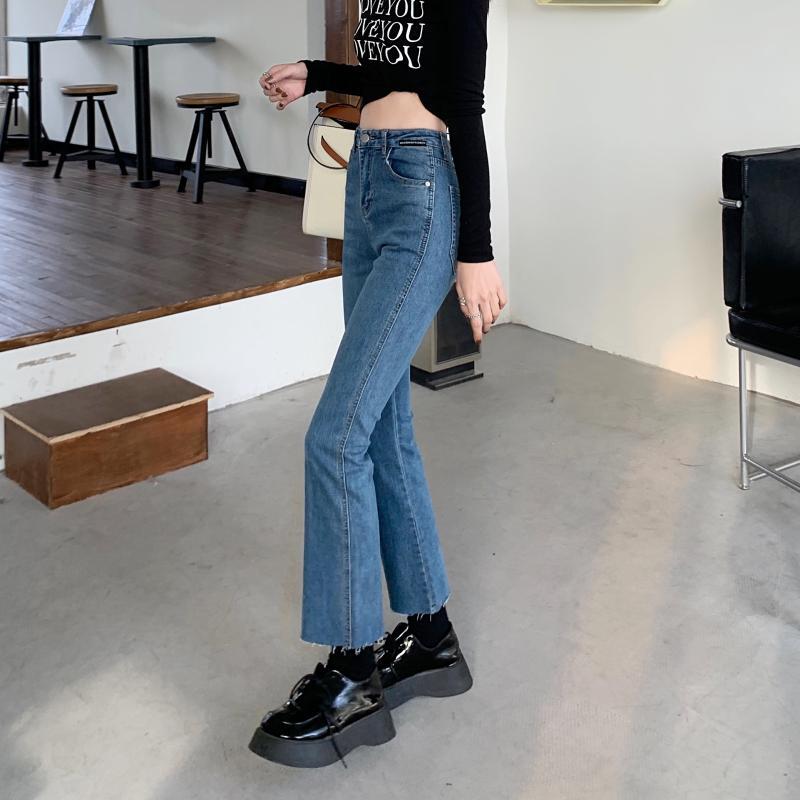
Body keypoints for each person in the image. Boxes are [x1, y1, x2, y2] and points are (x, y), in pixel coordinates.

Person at [249, 0, 507, 768]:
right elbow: (396, 75)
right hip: (365, 176)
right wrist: (317, 74)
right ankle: (429, 635)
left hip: (420, 189)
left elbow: (462, 100)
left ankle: (353, 670)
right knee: (384, 427)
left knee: (336, 437)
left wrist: (477, 251)